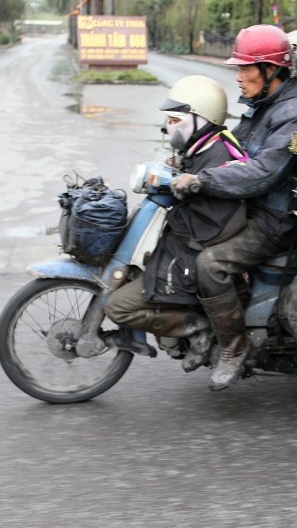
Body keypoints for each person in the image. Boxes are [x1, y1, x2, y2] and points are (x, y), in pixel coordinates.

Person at [171, 24, 297, 391]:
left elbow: (264, 172)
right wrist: (189, 158)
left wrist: (206, 181)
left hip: (272, 219)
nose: (237, 77)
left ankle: (234, 348)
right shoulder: (262, 106)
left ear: (271, 70)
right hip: (248, 206)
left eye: (244, 68)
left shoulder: (293, 111)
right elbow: (234, 147)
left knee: (211, 264)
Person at [104, 75, 247, 372]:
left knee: (117, 307)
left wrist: (190, 184)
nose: (168, 126)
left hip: (192, 250)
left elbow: (213, 215)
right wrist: (177, 172)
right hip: (184, 243)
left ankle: (197, 329)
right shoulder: (203, 149)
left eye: (174, 119)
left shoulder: (222, 156)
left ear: (200, 119)